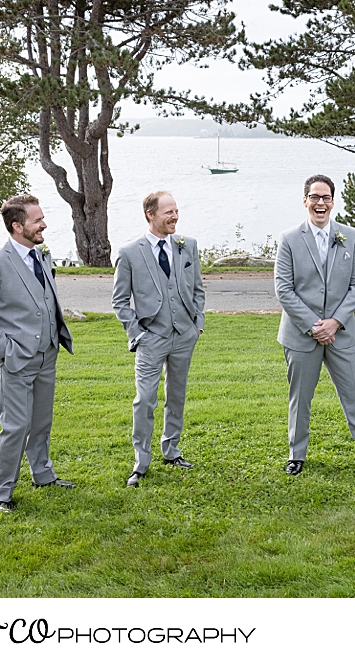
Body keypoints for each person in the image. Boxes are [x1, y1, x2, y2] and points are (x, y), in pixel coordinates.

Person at [275, 174, 355, 477]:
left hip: (340, 333)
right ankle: (297, 455)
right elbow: (283, 289)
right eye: (314, 197)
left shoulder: (350, 236)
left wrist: (335, 322)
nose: (320, 203)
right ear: (305, 201)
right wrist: (313, 325)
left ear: (333, 201)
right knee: (300, 397)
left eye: (326, 197)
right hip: (302, 335)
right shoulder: (289, 239)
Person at [0, 194, 75, 513]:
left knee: (41, 421)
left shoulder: (41, 255)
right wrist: (4, 350)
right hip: (14, 359)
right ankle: (0, 494)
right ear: (17, 226)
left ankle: (42, 474)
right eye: (37, 220)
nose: (44, 224)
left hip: (46, 354)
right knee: (16, 426)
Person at [112, 191, 205, 488]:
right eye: (168, 212)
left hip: (184, 335)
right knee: (145, 400)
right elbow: (119, 301)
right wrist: (137, 333)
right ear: (150, 215)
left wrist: (197, 325)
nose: (175, 216)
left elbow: (198, 290)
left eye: (176, 211)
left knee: (176, 395)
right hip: (151, 337)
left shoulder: (187, 245)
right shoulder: (129, 253)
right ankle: (141, 462)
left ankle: (172, 451)